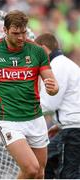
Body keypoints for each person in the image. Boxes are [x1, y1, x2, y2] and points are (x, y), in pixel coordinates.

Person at [0, 10, 59, 179]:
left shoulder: (37, 52)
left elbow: (52, 86)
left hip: (35, 118)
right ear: (5, 30)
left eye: (24, 32)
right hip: (8, 120)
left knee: (39, 173)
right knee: (31, 168)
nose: (21, 37)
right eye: (16, 33)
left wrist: (52, 87)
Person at [35, 33, 80, 179]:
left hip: (73, 130)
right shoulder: (66, 64)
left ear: (43, 49)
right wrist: (59, 124)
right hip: (70, 127)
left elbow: (49, 104)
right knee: (43, 161)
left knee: (69, 174)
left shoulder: (55, 67)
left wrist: (21, 114)